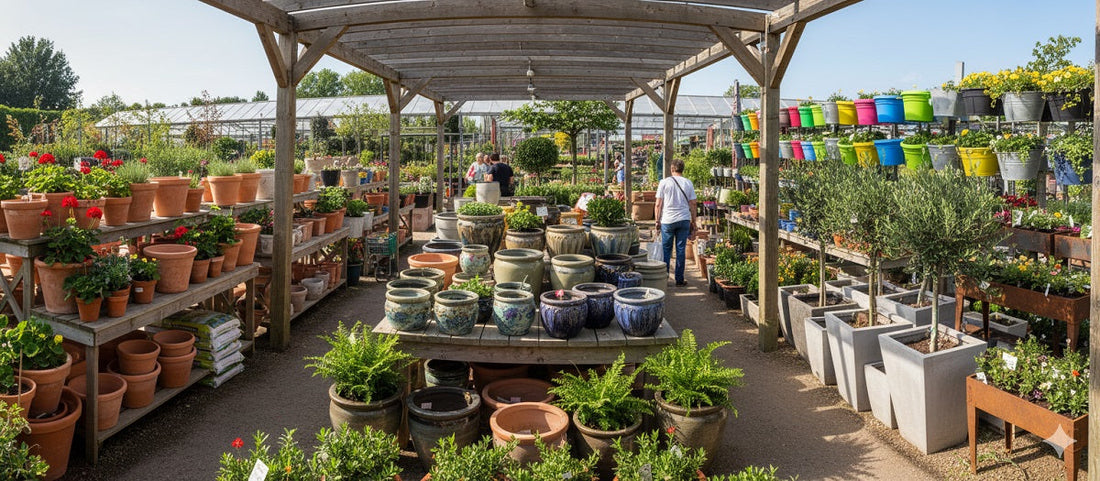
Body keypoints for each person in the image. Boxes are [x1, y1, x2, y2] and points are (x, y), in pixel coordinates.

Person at [654, 158, 696, 287]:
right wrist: (693, 221)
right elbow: (693, 204)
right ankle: (679, 279)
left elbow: (658, 204)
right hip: (683, 219)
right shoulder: (688, 183)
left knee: (666, 250)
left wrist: (657, 221)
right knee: (680, 249)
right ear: (682, 169)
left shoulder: (664, 182)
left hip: (668, 220)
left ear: (672, 169)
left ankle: (664, 278)